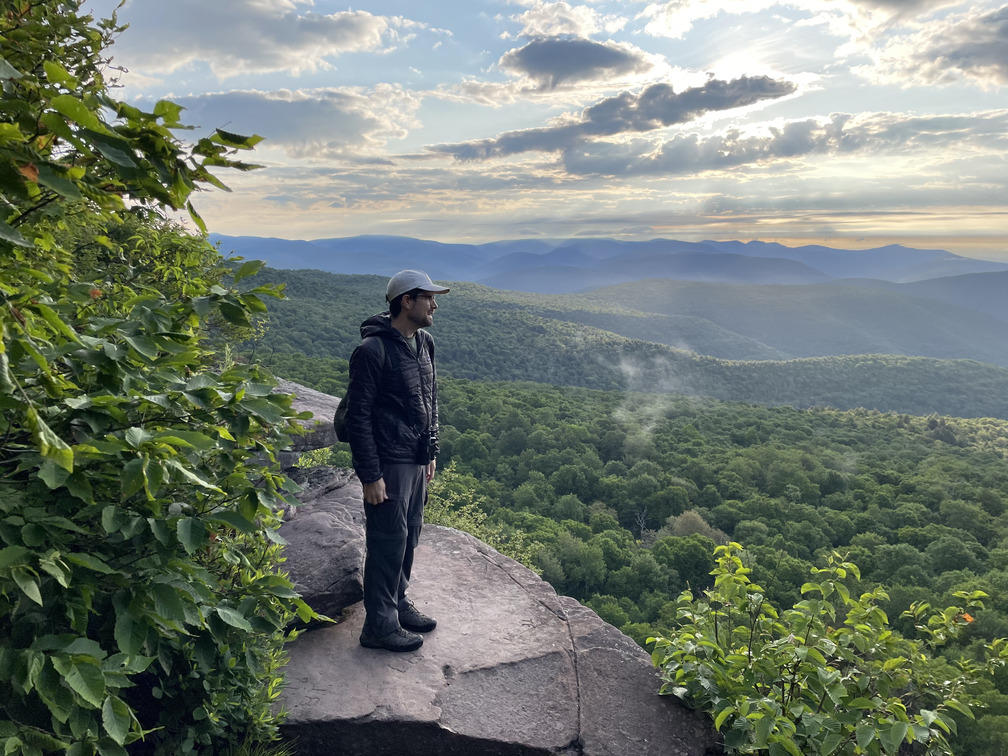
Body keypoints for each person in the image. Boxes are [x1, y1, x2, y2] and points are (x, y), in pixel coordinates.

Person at [345, 270, 449, 652]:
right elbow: (358, 417)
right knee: (388, 541)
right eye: (429, 298)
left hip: (416, 460)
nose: (435, 304)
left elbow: (431, 399)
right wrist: (370, 475)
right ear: (407, 301)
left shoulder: (425, 343)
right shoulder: (372, 351)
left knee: (410, 536)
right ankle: (379, 626)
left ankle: (397, 602)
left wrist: (431, 452)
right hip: (388, 462)